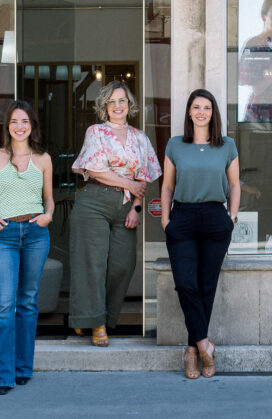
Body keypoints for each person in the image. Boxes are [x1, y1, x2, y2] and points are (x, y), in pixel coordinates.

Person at [69, 81, 161, 346]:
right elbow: (94, 170)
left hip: (125, 206)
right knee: (93, 263)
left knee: (123, 264)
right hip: (94, 201)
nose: (117, 106)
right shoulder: (96, 132)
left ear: (129, 105)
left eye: (122, 101)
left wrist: (136, 207)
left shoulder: (140, 138)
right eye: (112, 102)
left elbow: (144, 178)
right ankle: (96, 323)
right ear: (104, 106)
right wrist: (128, 185)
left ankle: (97, 317)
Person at [0, 100, 54, 395]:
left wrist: (48, 215)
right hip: (5, 236)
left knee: (28, 301)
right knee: (5, 304)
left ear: (32, 126)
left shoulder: (43, 159)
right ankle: (1, 376)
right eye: (14, 122)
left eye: (25, 122)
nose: (20, 127)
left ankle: (22, 368)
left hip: (35, 234)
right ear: (7, 126)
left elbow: (49, 197)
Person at [160, 89, 240, 378]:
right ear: (189, 112)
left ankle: (192, 352)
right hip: (182, 218)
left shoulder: (227, 145)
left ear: (213, 112)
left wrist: (232, 218)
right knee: (185, 284)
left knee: (206, 286)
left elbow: (235, 185)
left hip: (215, 218)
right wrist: (166, 219)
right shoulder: (175, 145)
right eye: (196, 107)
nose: (201, 112)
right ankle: (205, 344)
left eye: (207, 107)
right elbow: (167, 186)